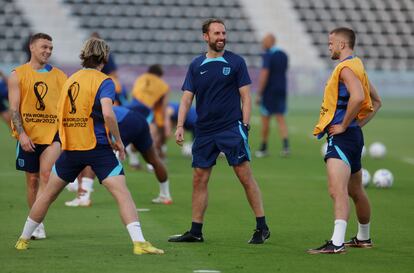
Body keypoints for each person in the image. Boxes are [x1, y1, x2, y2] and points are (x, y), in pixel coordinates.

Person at [14, 37, 164, 255]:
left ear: (84, 55)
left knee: (46, 195)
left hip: (71, 149)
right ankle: (139, 243)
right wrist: (119, 141)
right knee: (122, 193)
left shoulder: (70, 79)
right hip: (97, 148)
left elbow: (60, 113)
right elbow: (107, 113)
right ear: (104, 57)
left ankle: (23, 238)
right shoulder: (104, 81)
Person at [168, 18, 270, 244]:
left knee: (244, 176)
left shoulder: (236, 62)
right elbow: (186, 99)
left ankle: (261, 227)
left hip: (230, 128)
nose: (221, 37)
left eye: (223, 33)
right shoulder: (196, 65)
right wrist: (179, 125)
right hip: (204, 132)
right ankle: (196, 231)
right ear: (206, 36)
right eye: (216, 33)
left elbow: (246, 97)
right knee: (199, 179)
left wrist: (244, 125)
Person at [308, 27, 382, 254]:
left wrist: (343, 124)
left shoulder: (346, 68)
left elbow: (359, 97)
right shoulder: (357, 65)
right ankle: (363, 238)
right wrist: (355, 125)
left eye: (331, 43)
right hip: (353, 137)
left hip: (341, 138)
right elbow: (376, 101)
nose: (329, 46)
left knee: (336, 190)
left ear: (342, 44)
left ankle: (337, 243)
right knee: (356, 190)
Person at [8, 33, 67, 239]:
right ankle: (35, 222)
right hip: (28, 137)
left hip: (53, 135)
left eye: (50, 48)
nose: (48, 51)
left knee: (45, 175)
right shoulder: (17, 75)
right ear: (32, 47)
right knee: (32, 180)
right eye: (44, 47)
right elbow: (14, 109)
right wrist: (22, 134)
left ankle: (38, 222)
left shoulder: (60, 76)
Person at [64, 105, 172, 206]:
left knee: (93, 154)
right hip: (138, 120)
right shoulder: (92, 107)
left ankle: (83, 197)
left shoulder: (83, 115)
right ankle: (165, 195)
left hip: (123, 122)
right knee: (153, 159)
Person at [255, 34, 290, 157]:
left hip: (269, 91)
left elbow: (265, 74)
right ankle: (286, 147)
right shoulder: (284, 54)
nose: (262, 44)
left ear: (270, 42)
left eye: (264, 41)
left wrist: (259, 93)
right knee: (281, 118)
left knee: (265, 119)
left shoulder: (268, 55)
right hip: (282, 90)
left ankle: (263, 148)